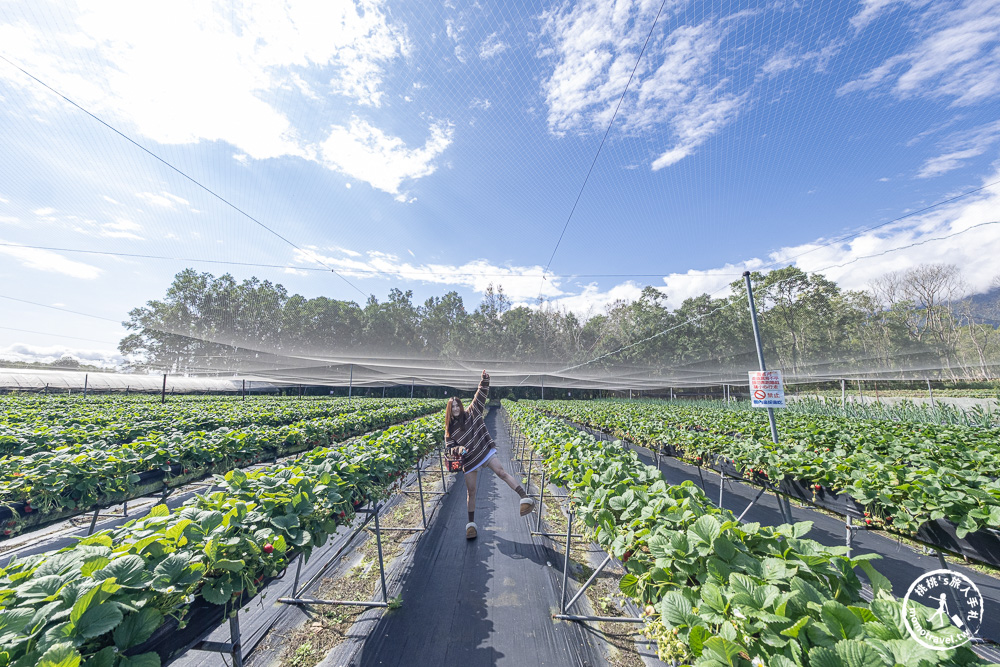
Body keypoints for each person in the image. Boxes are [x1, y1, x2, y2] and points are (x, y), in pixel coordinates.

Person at [445, 370, 534, 539]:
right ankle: (471, 525)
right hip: (470, 460)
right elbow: (449, 447)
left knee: (502, 472)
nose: (456, 408)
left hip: (483, 450)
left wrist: (484, 381)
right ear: (450, 409)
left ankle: (525, 498)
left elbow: (479, 396)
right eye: (453, 406)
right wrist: (458, 449)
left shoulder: (471, 412)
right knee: (471, 491)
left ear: (461, 406)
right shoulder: (449, 429)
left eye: (457, 405)